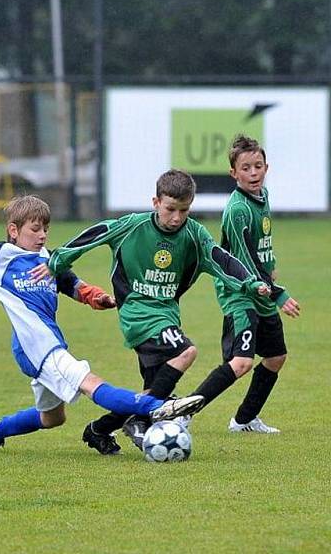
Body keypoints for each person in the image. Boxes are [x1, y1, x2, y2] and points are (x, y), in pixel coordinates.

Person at [0, 195, 205, 453]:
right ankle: (161, 406)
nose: (43, 235)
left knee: (53, 418)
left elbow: (71, 283)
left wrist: (96, 297)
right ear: (14, 230)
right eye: (35, 230)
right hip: (37, 344)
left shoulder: (47, 259)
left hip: (45, 342)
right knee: (90, 382)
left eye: (46, 229)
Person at [46, 169, 272, 454]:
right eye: (170, 209)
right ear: (155, 202)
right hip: (137, 313)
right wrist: (59, 259)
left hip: (167, 314)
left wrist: (250, 282)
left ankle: (100, 429)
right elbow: (98, 233)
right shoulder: (133, 226)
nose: (177, 217)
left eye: (184, 210)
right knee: (185, 352)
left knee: (154, 395)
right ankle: (140, 421)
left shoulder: (194, 234)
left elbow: (220, 259)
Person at [189, 135, 300, 433]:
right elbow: (244, 261)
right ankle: (182, 413)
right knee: (241, 362)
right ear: (233, 173)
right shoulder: (237, 210)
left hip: (261, 287)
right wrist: (278, 294)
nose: (253, 173)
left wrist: (271, 268)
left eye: (258, 166)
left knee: (276, 357)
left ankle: (244, 420)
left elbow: (261, 244)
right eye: (246, 168)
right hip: (240, 292)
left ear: (267, 167)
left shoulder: (263, 196)